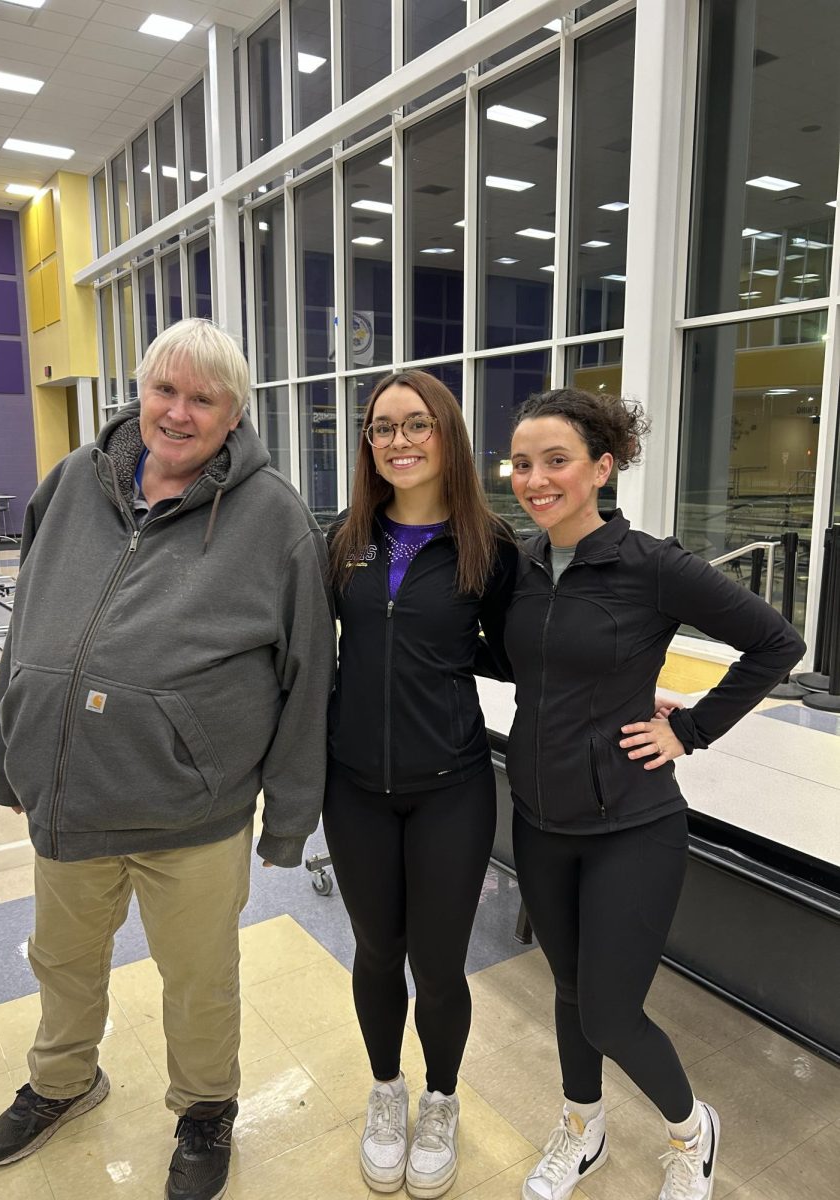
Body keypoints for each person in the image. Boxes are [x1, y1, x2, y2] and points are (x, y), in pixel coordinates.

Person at [0, 318, 336, 1200]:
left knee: (200, 981)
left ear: (234, 414)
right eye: (163, 390)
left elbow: (307, 676)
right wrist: (5, 756)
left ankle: (207, 1108)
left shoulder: (274, 519)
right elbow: (26, 625)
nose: (178, 412)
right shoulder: (69, 484)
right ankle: (63, 1081)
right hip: (70, 796)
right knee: (60, 961)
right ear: (139, 392)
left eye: (202, 398)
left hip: (192, 812)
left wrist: (290, 822)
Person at [503, 388, 804, 1200]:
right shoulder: (521, 565)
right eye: (523, 462)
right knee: (567, 990)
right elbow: (523, 662)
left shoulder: (652, 564)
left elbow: (778, 643)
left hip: (631, 825)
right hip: (538, 818)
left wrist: (691, 729)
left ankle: (690, 1130)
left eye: (556, 460)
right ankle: (583, 1128)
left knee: (608, 1011)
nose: (535, 478)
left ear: (602, 468)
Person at [324, 370, 518, 1198]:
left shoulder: (492, 544)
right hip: (355, 786)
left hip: (452, 787)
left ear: (448, 435)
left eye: (416, 425)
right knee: (376, 951)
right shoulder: (344, 538)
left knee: (438, 966)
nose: (397, 441)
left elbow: (518, 653)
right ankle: (387, 1092)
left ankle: (439, 1100)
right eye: (380, 428)